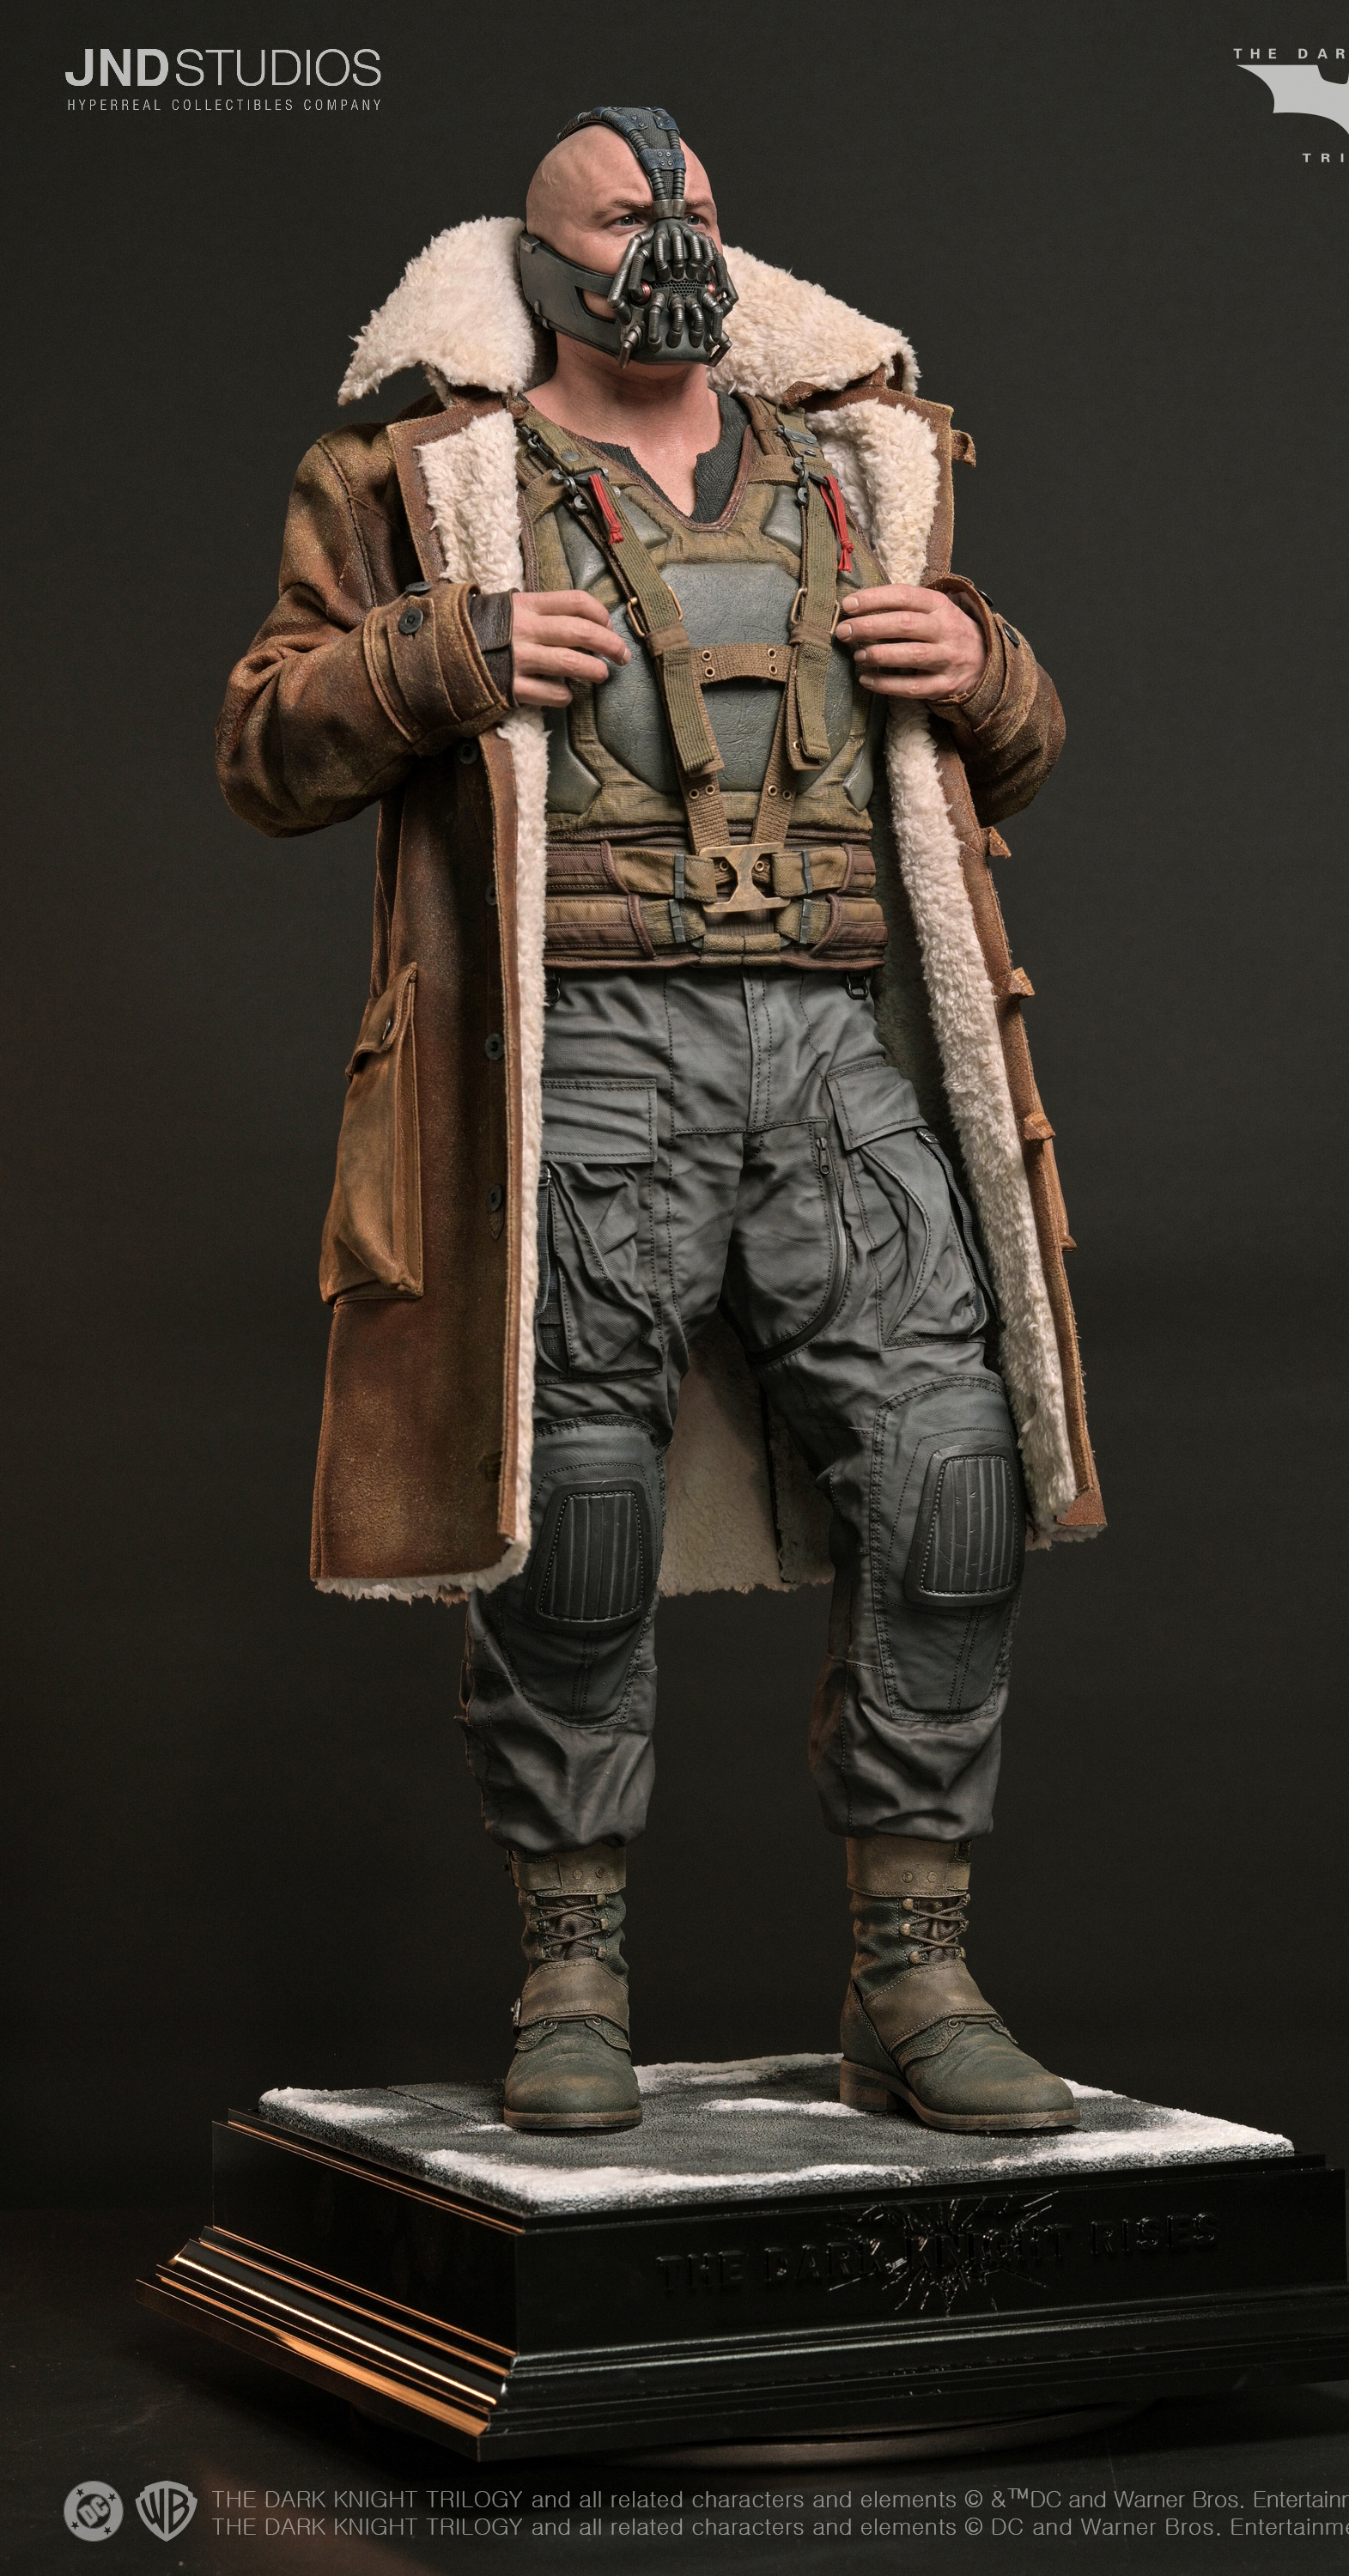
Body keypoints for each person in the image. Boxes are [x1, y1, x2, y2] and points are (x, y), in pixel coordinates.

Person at [218, 106, 1103, 2142]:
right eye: (625, 216)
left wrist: (984, 666)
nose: (669, 243)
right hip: (590, 1049)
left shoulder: (859, 461)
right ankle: (572, 1971)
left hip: (834, 1043)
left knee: (954, 1478)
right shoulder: (426, 472)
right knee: (573, 1508)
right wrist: (445, 651)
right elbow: (263, 744)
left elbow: (1020, 750)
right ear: (536, 256)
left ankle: (914, 1970)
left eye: (693, 210)